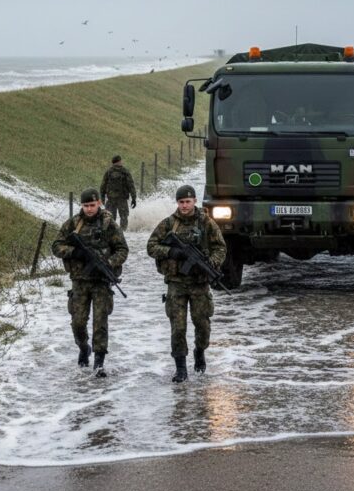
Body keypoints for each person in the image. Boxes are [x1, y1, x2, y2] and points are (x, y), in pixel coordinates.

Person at [146, 185, 226, 382]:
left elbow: (220, 248)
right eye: (181, 202)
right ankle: (180, 367)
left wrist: (211, 263)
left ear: (195, 201)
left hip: (200, 284)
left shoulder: (206, 223)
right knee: (178, 328)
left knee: (202, 324)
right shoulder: (168, 224)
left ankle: (200, 351)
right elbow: (151, 246)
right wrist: (172, 252)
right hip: (176, 284)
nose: (184, 205)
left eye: (188, 202)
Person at [51, 188, 128, 377]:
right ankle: (84, 347)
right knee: (78, 323)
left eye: (92, 205)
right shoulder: (73, 224)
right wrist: (75, 252)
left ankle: (99, 362)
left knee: (100, 323)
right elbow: (56, 246)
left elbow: (122, 249)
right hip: (79, 281)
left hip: (101, 281)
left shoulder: (109, 225)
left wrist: (108, 263)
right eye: (86, 206)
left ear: (99, 203)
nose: (89, 209)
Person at [100, 155, 137, 231]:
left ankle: (111, 233)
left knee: (110, 218)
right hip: (122, 199)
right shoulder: (125, 171)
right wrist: (134, 198)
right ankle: (123, 233)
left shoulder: (108, 172)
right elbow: (131, 185)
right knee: (124, 217)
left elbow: (103, 185)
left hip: (111, 199)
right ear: (120, 161)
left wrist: (102, 197)